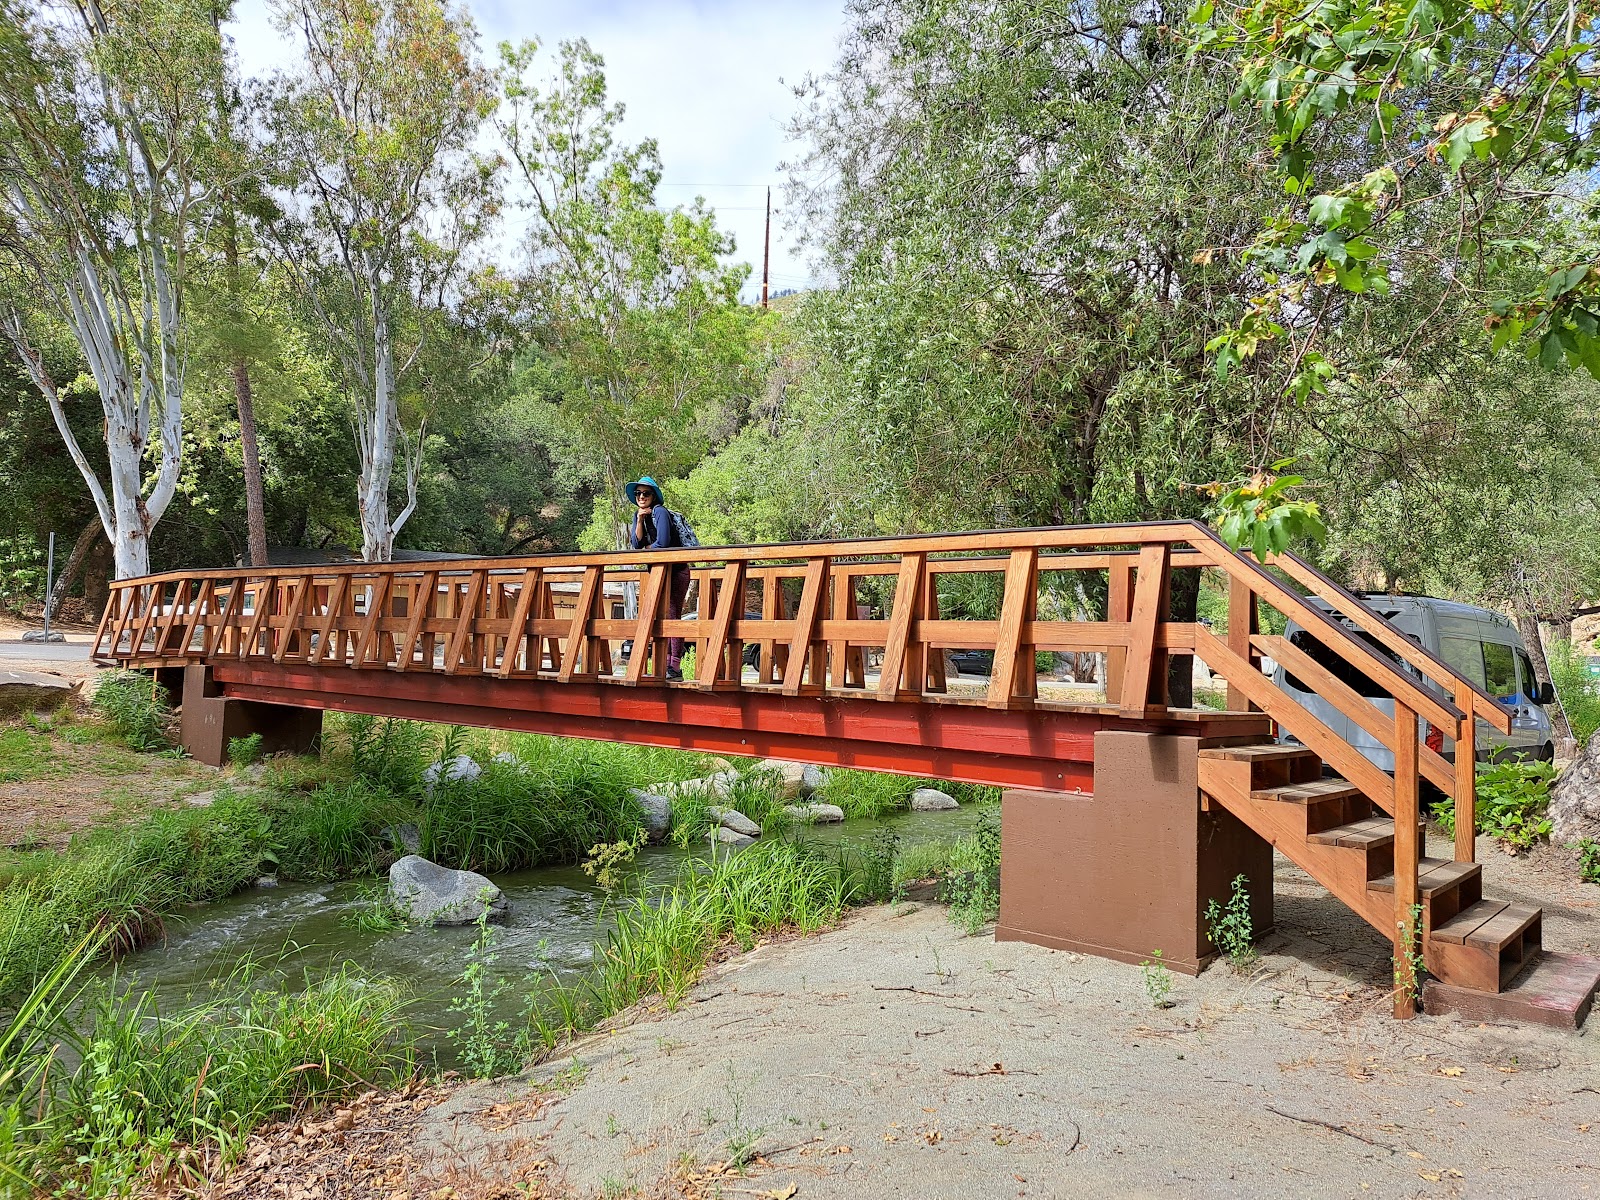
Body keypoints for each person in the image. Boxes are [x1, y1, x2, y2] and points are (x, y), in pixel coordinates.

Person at [626, 476, 691, 680]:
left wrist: (647, 548)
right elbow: (636, 545)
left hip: (676, 571)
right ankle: (661, 664)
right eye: (638, 494)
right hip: (658, 573)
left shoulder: (660, 512)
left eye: (646, 493)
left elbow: (663, 542)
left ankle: (675, 667)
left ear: (654, 496)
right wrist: (640, 520)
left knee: (673, 616)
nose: (642, 497)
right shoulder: (640, 516)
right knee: (657, 616)